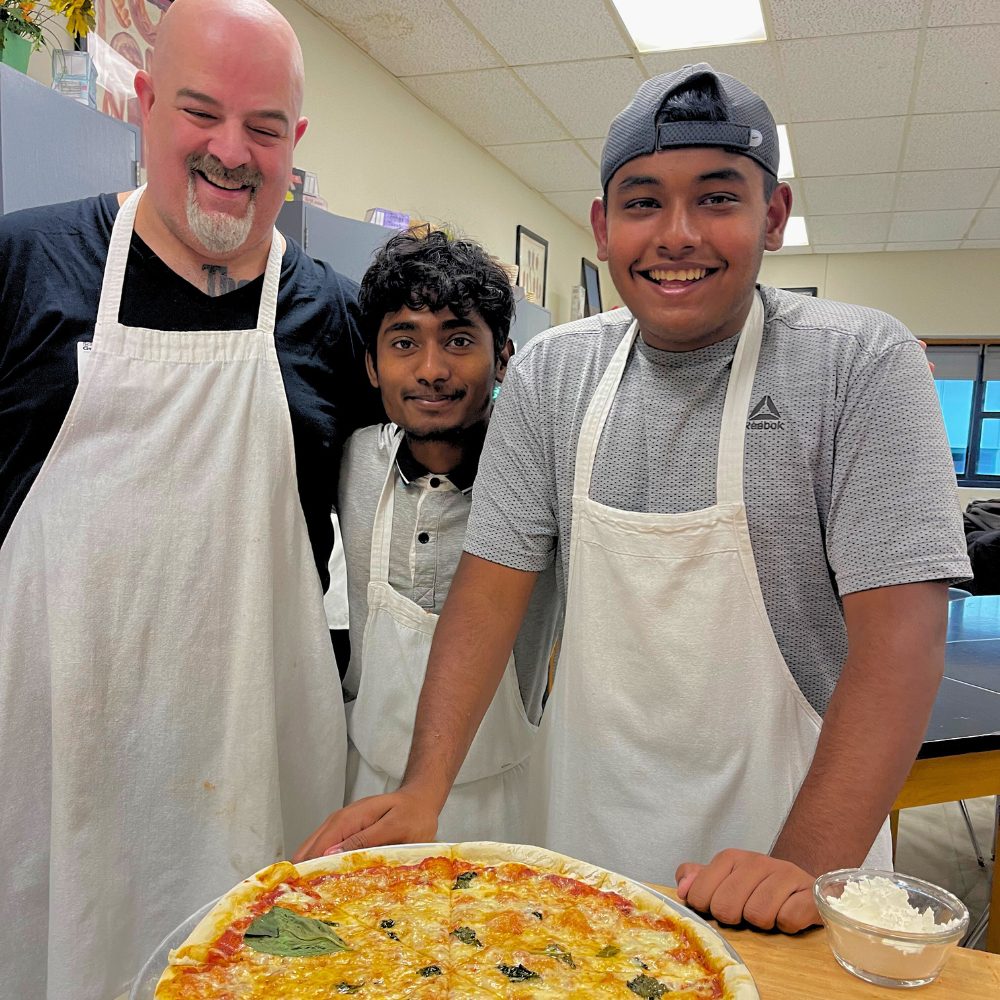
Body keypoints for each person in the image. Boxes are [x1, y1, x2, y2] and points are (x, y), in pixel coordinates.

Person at [298, 64, 971, 934]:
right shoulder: (554, 372)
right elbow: (489, 589)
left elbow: (901, 643)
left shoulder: (858, 366)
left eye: (718, 198)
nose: (677, 235)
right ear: (603, 223)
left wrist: (803, 863)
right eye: (644, 201)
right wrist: (425, 787)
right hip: (584, 839)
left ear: (774, 213)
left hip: (795, 842)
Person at [0, 1, 380, 996]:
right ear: (144, 104)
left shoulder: (337, 318)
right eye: (200, 113)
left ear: (293, 144)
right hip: (52, 785)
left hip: (258, 786)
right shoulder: (23, 267)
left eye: (262, 127)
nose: (229, 151)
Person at [296, 230, 559, 855]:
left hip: (509, 801)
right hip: (365, 789)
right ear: (371, 363)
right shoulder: (352, 461)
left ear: (503, 360)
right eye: (404, 342)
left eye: (460, 340)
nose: (432, 370)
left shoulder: (540, 477)